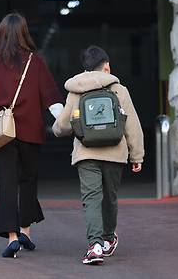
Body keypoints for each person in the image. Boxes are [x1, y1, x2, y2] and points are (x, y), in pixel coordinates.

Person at [0, 13, 64, 258]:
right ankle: (25, 231)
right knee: (28, 180)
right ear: (25, 33)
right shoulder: (36, 62)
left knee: (7, 181)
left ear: (0, 33)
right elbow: (51, 96)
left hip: (1, 131)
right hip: (30, 130)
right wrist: (64, 122)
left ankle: (12, 237)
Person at [52, 45, 144, 265]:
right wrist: (137, 156)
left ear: (84, 68)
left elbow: (63, 126)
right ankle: (108, 239)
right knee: (109, 199)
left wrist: (56, 128)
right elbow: (132, 125)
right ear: (107, 66)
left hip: (86, 153)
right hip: (115, 152)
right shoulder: (119, 90)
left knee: (91, 199)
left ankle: (94, 245)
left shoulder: (76, 89)